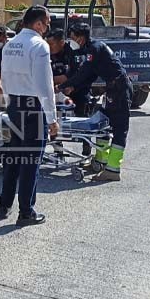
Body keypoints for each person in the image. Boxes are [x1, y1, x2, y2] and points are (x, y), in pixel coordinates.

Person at [0, 5, 58, 227]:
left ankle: (5, 204)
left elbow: (4, 78)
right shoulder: (39, 46)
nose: (48, 27)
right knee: (31, 161)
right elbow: (45, 86)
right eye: (47, 22)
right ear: (38, 23)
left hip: (14, 104)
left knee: (13, 157)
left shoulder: (9, 45)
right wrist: (52, 118)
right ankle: (26, 211)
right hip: (33, 108)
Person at [60, 23, 132, 182]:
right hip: (113, 90)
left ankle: (113, 169)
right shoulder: (92, 49)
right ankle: (100, 160)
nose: (71, 41)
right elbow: (90, 75)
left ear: (81, 37)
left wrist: (63, 85)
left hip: (119, 89)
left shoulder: (95, 48)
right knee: (102, 122)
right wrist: (72, 86)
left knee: (120, 128)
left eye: (72, 37)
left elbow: (84, 72)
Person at [46, 29, 91, 117]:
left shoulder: (73, 51)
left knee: (79, 123)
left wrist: (60, 80)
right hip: (56, 94)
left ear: (61, 42)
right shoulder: (46, 53)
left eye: (51, 44)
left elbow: (78, 74)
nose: (49, 47)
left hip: (77, 93)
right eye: (47, 44)